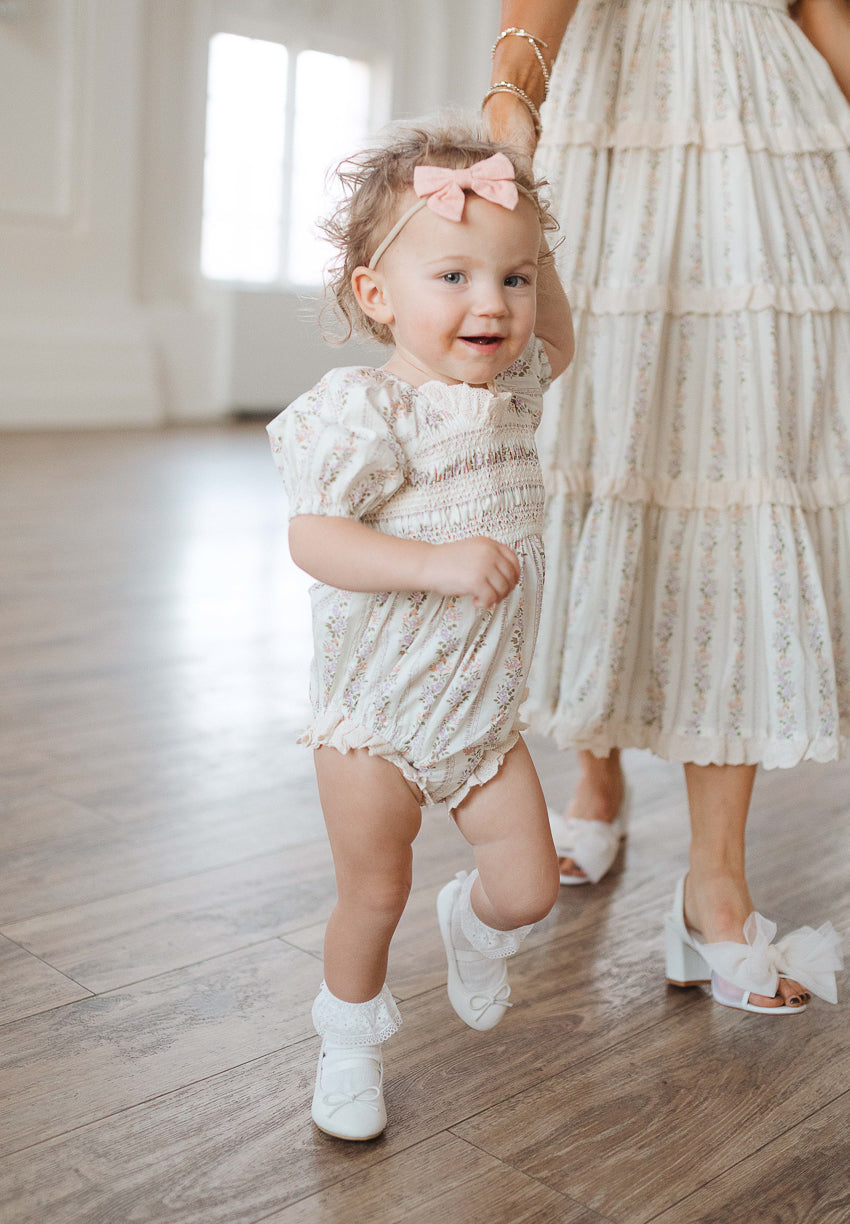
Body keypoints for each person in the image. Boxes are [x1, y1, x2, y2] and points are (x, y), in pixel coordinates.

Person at [483, 0, 847, 1010]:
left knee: (747, 456)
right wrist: (516, 83)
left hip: (773, 112)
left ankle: (713, 889)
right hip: (623, 104)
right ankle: (592, 777)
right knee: (598, 430)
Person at [267, 119, 574, 1141]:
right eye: (454, 275)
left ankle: (472, 928)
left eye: (514, 279)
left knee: (529, 891)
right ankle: (348, 1042)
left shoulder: (512, 391)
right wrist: (431, 564)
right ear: (375, 295)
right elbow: (315, 537)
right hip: (377, 720)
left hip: (481, 719)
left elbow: (558, 335)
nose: (493, 303)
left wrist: (533, 233)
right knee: (373, 893)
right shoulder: (363, 410)